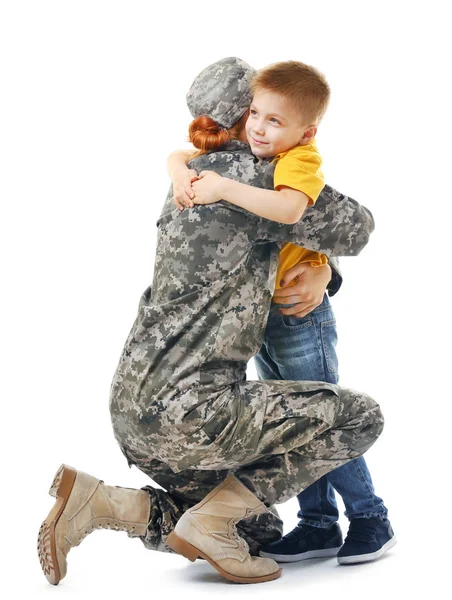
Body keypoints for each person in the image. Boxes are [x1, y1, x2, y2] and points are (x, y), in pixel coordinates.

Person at [37, 57, 383, 587]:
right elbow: (357, 228)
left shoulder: (187, 182)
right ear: (246, 114)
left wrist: (320, 269)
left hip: (132, 409)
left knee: (257, 529)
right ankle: (353, 518)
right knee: (360, 417)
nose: (265, 126)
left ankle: (101, 501)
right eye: (258, 114)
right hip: (196, 414)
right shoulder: (259, 179)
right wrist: (327, 267)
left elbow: (263, 237)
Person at [170, 59, 395, 565]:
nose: (258, 127)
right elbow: (180, 151)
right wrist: (180, 171)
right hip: (261, 319)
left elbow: (294, 212)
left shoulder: (297, 161)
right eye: (255, 113)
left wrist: (223, 188)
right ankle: (317, 523)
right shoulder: (243, 151)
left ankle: (370, 517)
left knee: (323, 417)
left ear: (305, 131)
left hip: (298, 316)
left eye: (274, 120)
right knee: (290, 422)